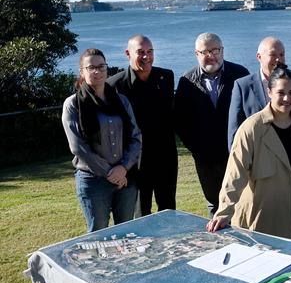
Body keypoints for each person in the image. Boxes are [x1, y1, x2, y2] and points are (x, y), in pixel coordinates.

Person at [206, 65, 291, 241]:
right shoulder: (252, 128)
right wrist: (224, 212)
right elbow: (235, 173)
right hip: (261, 218)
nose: (287, 98)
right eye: (281, 92)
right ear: (269, 92)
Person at [61, 48, 142, 232]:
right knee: (98, 234)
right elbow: (78, 147)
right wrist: (110, 173)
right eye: (91, 67)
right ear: (82, 71)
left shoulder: (121, 101)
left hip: (125, 178)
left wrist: (123, 169)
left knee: (126, 232)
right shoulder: (73, 104)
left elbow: (136, 138)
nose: (97, 71)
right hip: (94, 181)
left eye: (101, 66)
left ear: (107, 69)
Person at [174, 33, 249, 217]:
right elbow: (181, 120)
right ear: (196, 54)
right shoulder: (187, 80)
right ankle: (221, 243)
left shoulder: (240, 74)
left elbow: (249, 114)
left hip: (237, 154)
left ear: (222, 50)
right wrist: (196, 149)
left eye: (215, 50)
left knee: (242, 201)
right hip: (205, 158)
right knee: (214, 205)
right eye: (205, 51)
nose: (211, 55)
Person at [107, 34, 177, 216]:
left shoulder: (166, 77)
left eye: (150, 51)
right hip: (135, 161)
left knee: (168, 209)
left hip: (165, 156)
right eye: (140, 52)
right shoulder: (115, 86)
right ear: (127, 53)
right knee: (140, 211)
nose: (146, 57)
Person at [228, 37, 291, 150]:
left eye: (282, 54)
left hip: (290, 155)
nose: (278, 59)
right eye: (273, 55)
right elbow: (235, 131)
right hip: (257, 157)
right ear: (259, 57)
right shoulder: (243, 86)